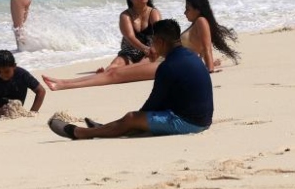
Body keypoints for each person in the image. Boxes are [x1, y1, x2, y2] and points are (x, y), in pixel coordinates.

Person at [48, 19, 213, 140]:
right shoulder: (191, 55)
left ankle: (81, 133)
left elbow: (153, 103)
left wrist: (134, 121)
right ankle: (109, 128)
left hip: (190, 123)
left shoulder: (168, 67)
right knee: (134, 120)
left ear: (161, 42)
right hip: (202, 118)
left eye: (154, 41)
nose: (152, 44)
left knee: (131, 118)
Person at [41, 0, 238, 91]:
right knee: (113, 72)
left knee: (115, 75)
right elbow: (200, 50)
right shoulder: (198, 23)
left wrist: (210, 68)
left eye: (187, 9)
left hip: (168, 65)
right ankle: (64, 82)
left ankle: (63, 85)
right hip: (165, 61)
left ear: (197, 9)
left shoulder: (201, 21)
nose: (185, 12)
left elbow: (206, 49)